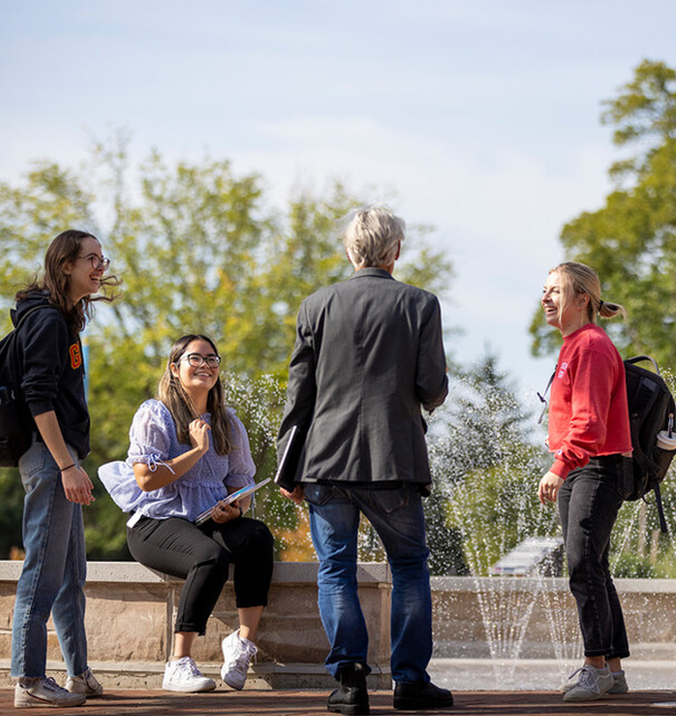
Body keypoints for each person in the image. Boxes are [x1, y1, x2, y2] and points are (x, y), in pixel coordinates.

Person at [277, 205, 452, 715]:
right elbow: (430, 386)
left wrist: (290, 470)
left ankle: (350, 683)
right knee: (410, 568)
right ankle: (410, 681)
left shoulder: (317, 305)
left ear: (351, 250)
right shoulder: (420, 304)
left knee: (335, 571)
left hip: (325, 462)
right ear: (395, 250)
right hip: (393, 460)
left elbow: (299, 397)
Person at [98, 334, 274, 693]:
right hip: (155, 522)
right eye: (196, 358)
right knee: (210, 557)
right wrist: (196, 450)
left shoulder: (228, 422)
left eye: (213, 359)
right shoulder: (155, 413)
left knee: (257, 536)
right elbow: (146, 480)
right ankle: (178, 662)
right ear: (175, 368)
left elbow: (239, 486)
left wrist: (232, 509)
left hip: (206, 520)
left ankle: (241, 643)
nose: (206, 365)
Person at [11, 229, 119, 708]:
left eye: (102, 258)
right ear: (65, 266)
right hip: (50, 456)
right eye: (90, 259)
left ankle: (78, 673)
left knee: (71, 572)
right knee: (41, 572)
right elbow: (38, 398)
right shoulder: (48, 321)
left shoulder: (66, 322)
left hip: (63, 458)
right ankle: (29, 679)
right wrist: (66, 466)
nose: (101, 266)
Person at [537, 261, 633, 702]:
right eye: (544, 290)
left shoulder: (591, 346)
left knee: (581, 564)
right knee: (594, 565)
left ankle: (594, 667)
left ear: (583, 300)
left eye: (556, 290)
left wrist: (561, 465)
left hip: (595, 466)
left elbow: (591, 423)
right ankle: (612, 669)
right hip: (584, 466)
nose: (546, 297)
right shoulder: (575, 345)